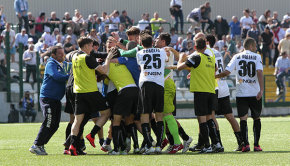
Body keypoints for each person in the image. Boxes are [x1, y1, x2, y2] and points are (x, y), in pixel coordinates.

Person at [216, 37, 264, 152]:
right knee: (256, 117)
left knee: (243, 119)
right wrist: (261, 90)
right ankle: (256, 145)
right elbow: (259, 72)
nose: (256, 48)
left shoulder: (236, 56)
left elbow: (227, 72)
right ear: (251, 46)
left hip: (241, 93)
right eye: (255, 46)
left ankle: (245, 145)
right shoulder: (257, 57)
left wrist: (215, 76)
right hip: (254, 92)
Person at [69, 37, 113, 156]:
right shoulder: (87, 57)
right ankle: (92, 134)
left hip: (78, 92)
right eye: (92, 45)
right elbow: (103, 70)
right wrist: (108, 59)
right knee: (106, 113)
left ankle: (72, 145)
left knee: (77, 121)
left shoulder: (74, 57)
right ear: (87, 46)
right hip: (91, 92)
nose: (93, 48)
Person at [177, 37, 216, 153]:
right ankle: (215, 144)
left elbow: (179, 68)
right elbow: (215, 70)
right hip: (211, 90)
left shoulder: (196, 56)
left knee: (201, 119)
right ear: (205, 47)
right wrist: (194, 72)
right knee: (209, 118)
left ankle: (207, 146)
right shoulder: (210, 58)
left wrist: (180, 58)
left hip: (201, 91)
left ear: (195, 47)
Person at [29, 46, 70, 155]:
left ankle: (41, 145)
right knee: (49, 121)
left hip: (55, 99)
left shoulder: (59, 65)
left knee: (55, 125)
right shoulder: (51, 63)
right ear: (53, 55)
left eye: (63, 53)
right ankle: (36, 145)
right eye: (60, 54)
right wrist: (69, 76)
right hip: (48, 98)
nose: (63, 55)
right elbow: (56, 76)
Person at [206, 34, 243, 151]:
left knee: (211, 116)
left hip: (214, 86)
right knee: (230, 116)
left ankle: (218, 144)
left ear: (206, 42)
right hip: (223, 85)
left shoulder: (207, 52)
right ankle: (242, 142)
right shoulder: (217, 52)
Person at [136, 34, 168, 154]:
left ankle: (149, 145)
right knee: (159, 115)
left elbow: (140, 67)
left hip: (146, 83)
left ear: (142, 43)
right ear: (152, 42)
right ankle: (159, 145)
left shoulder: (140, 53)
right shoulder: (161, 51)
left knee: (145, 115)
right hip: (159, 84)